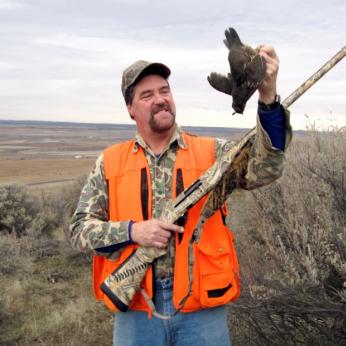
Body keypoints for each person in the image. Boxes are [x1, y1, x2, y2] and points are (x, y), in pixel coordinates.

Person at [70, 44, 291, 346]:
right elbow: (80, 231)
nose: (160, 100)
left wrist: (267, 96)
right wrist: (136, 232)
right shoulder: (110, 161)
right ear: (130, 108)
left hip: (201, 306)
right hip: (137, 308)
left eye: (165, 91)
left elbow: (266, 167)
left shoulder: (212, 153)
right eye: (146, 95)